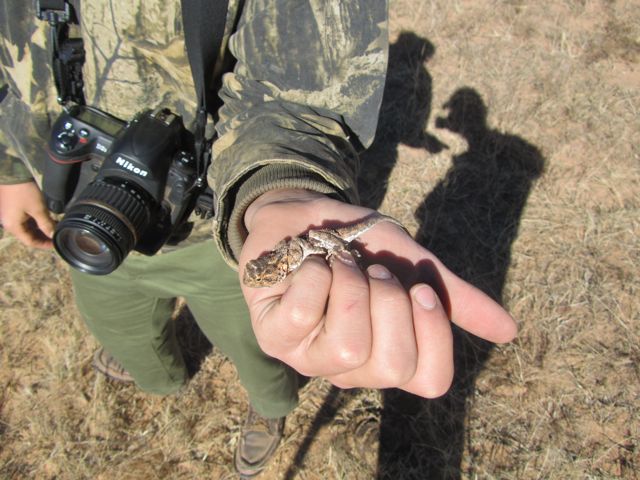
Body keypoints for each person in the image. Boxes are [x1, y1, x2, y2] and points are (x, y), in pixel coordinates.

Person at [0, 0, 517, 476]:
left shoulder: (275, 259)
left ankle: (270, 409)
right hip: (86, 217)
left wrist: (277, 190)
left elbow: (302, 95)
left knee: (258, 351)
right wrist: (9, 164)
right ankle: (152, 366)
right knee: (121, 328)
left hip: (214, 234)